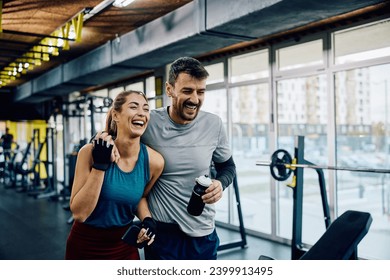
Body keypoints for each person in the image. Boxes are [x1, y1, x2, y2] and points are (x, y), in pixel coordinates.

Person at [98, 57, 236, 260]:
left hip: (202, 232)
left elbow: (229, 167)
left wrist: (220, 183)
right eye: (187, 91)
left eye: (201, 92)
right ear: (170, 89)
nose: (195, 99)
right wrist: (102, 139)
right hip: (162, 236)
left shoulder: (214, 124)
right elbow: (116, 131)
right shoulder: (149, 121)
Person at [65, 90, 164, 260]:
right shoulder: (89, 152)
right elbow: (79, 213)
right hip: (85, 246)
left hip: (124, 247)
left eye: (146, 109)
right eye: (134, 107)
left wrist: (147, 220)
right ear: (116, 115)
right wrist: (100, 165)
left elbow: (141, 197)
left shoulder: (154, 162)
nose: (142, 113)